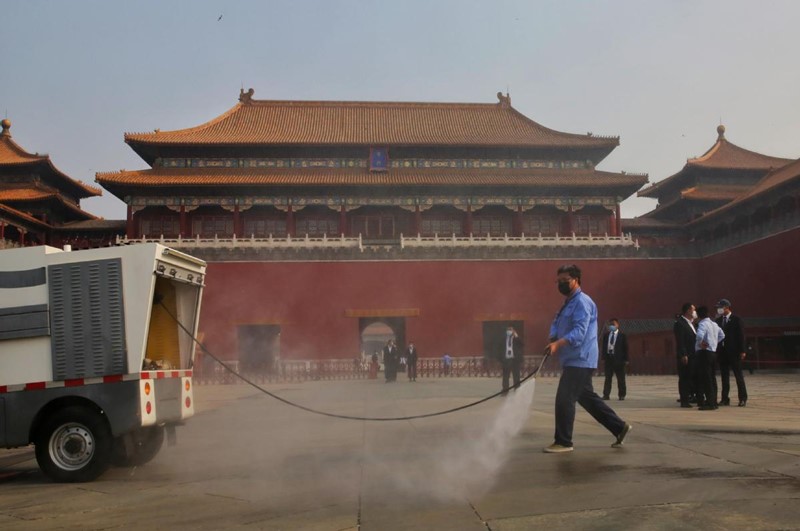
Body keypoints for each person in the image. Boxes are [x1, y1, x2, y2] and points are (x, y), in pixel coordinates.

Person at [543, 264, 631, 453]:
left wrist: (558, 344)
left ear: (576, 280)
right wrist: (553, 337)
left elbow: (579, 332)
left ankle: (564, 441)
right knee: (587, 398)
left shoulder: (583, 302)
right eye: (558, 281)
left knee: (564, 398)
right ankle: (619, 427)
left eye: (564, 281)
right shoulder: (568, 303)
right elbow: (556, 322)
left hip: (581, 358)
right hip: (573, 358)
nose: (560, 284)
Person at [715, 299, 748, 407]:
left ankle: (742, 398)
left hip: (734, 352)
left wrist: (742, 350)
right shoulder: (718, 321)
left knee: (738, 376)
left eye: (720, 307)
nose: (718, 309)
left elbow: (741, 336)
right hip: (723, 353)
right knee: (724, 377)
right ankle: (725, 399)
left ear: (727, 307)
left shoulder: (736, 319)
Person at [694, 306, 724, 410]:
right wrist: (714, 343)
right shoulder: (714, 324)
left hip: (704, 353)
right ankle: (714, 401)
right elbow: (722, 335)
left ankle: (709, 403)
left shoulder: (703, 324)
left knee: (706, 379)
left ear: (698, 315)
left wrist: (700, 343)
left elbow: (699, 336)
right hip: (713, 353)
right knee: (712, 378)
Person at [674, 303, 697, 408]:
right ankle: (684, 400)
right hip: (686, 355)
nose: (695, 312)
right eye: (693, 309)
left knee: (690, 377)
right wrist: (683, 354)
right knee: (684, 378)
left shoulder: (691, 323)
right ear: (688, 311)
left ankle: (691, 397)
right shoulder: (680, 323)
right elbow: (681, 340)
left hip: (693, 354)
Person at [601, 318, 629, 401]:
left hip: (619, 360)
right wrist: (603, 357)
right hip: (609, 359)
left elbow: (625, 348)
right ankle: (606, 395)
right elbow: (603, 347)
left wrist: (626, 359)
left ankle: (621, 395)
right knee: (608, 378)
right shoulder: (606, 336)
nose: (612, 326)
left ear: (617, 325)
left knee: (621, 379)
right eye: (610, 325)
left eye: (614, 324)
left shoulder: (622, 335)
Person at [501, 325, 523, 394]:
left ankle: (517, 390)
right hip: (506, 359)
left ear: (513, 331)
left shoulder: (516, 338)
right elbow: (499, 348)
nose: (509, 331)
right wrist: (501, 359)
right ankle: (505, 391)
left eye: (510, 330)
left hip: (515, 360)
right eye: (508, 330)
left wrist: (516, 336)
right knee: (505, 377)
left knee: (516, 376)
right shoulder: (503, 338)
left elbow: (522, 344)